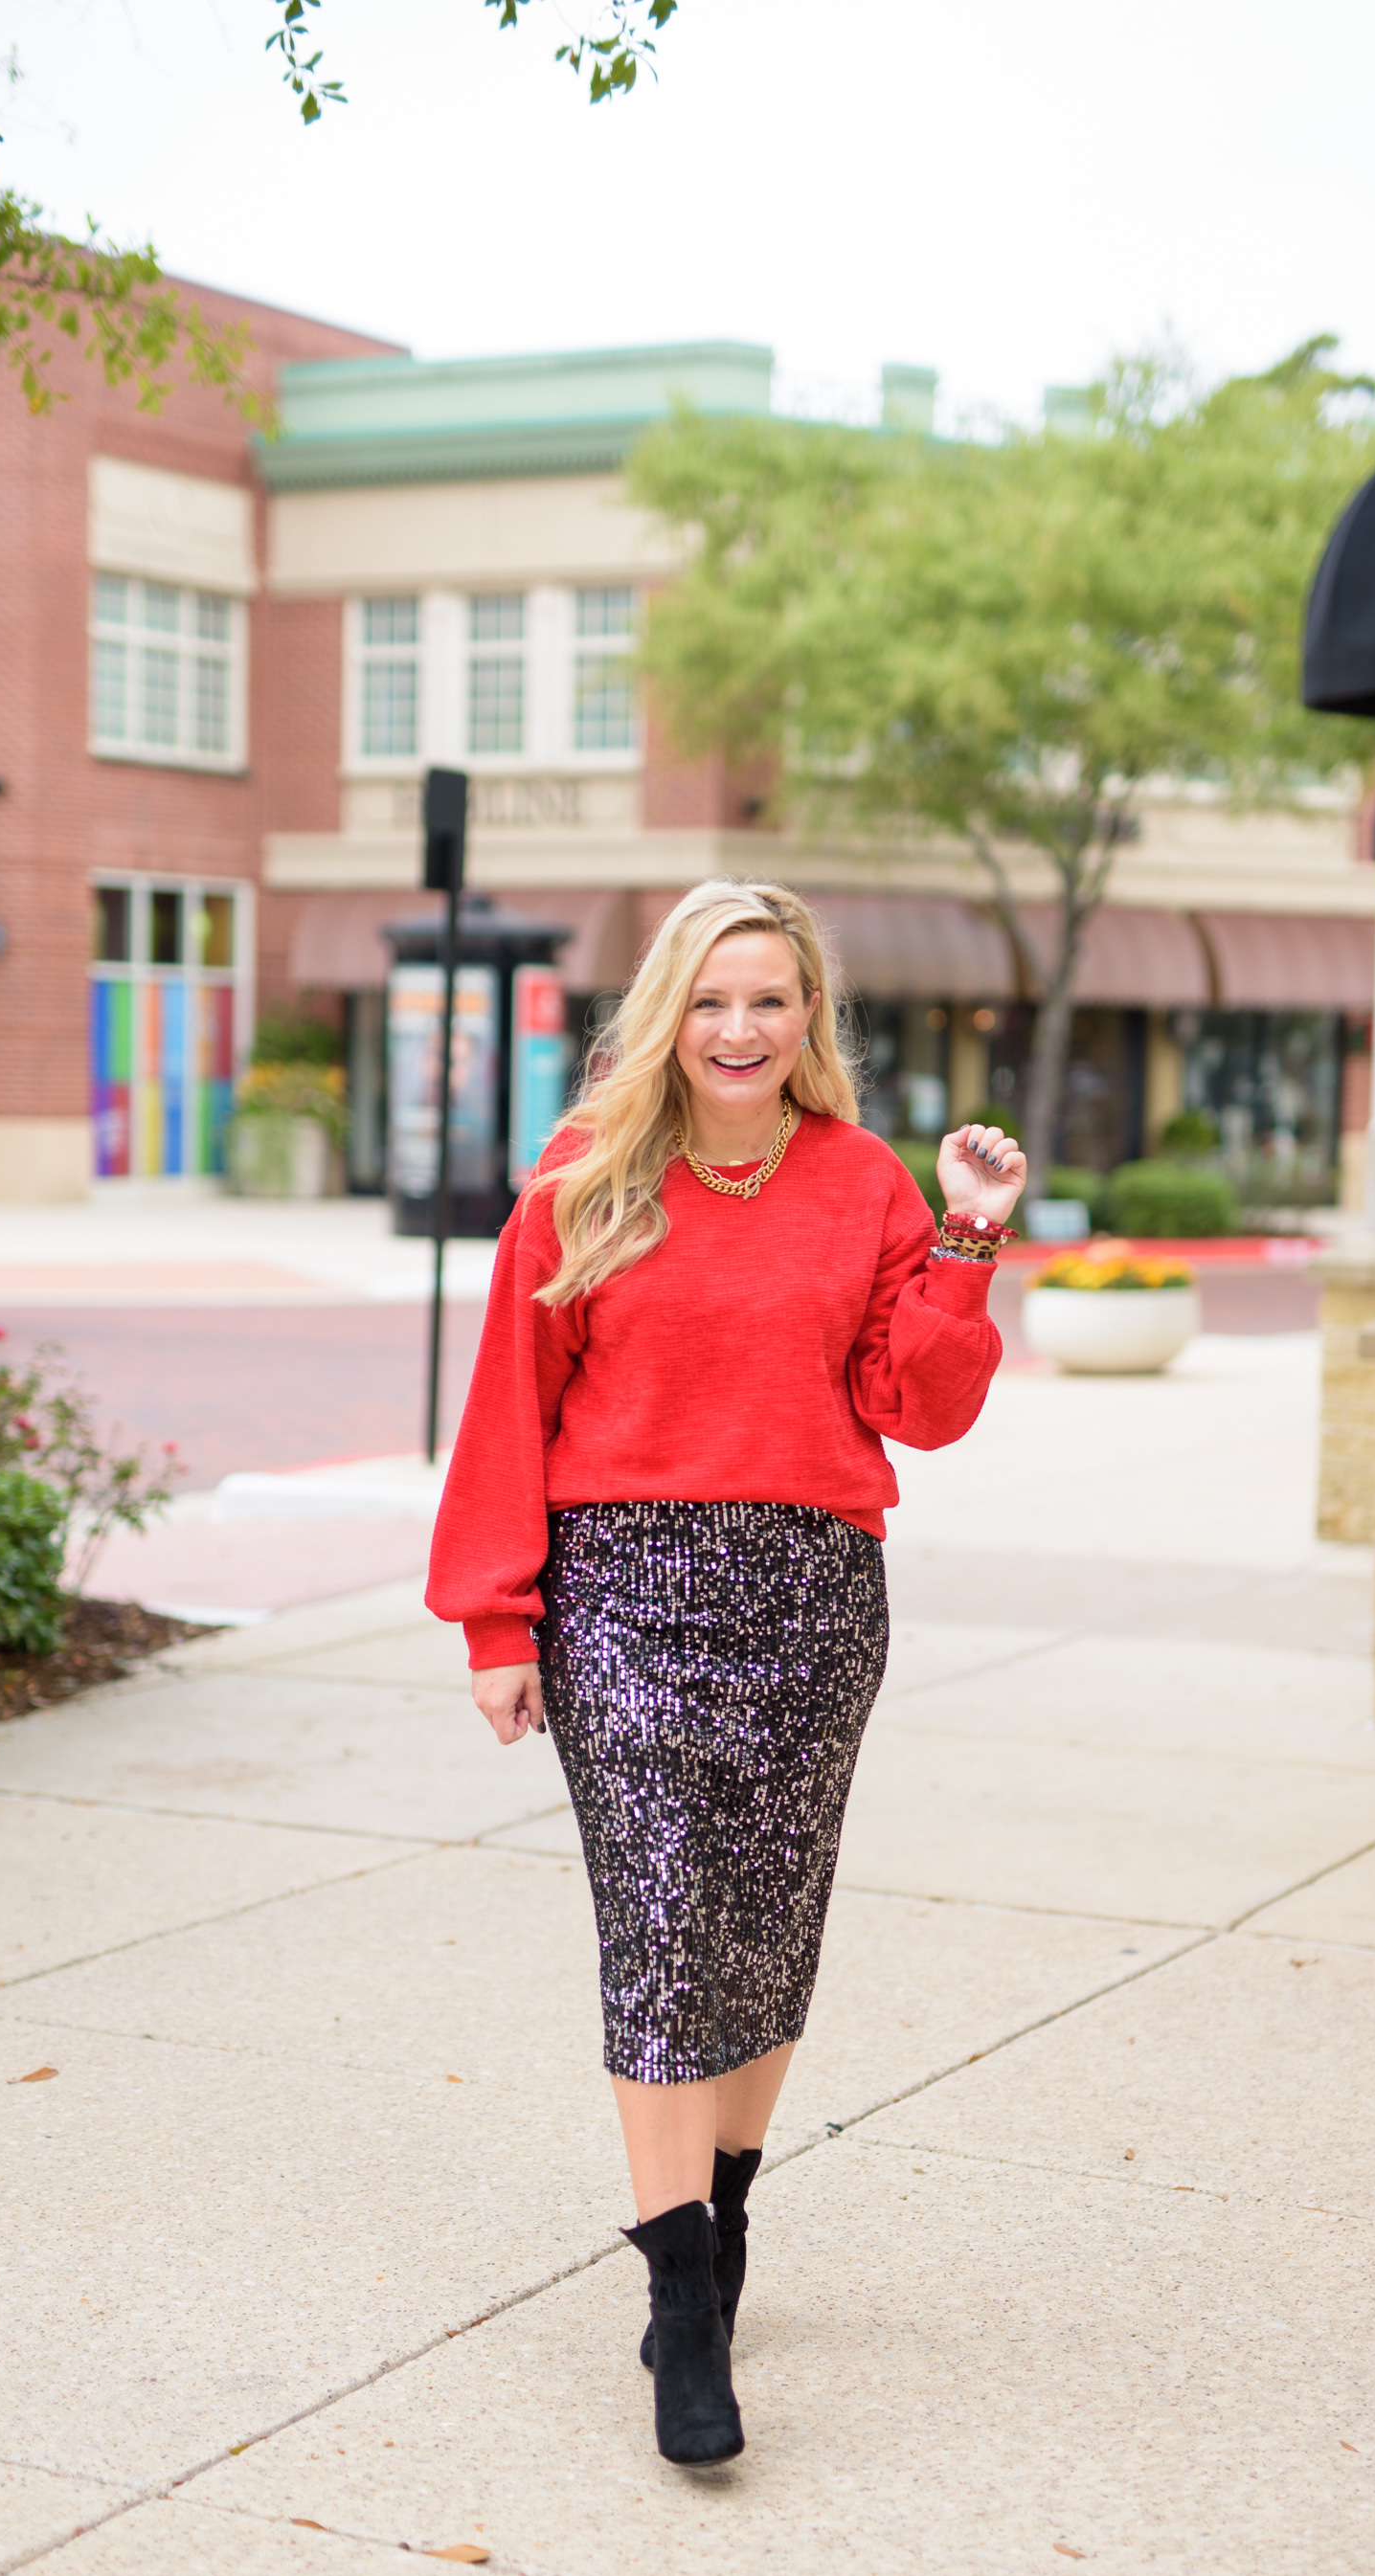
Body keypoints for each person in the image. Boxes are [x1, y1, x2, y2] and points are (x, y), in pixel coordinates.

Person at [426, 879, 1026, 2467]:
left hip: (812, 1596)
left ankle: (728, 2213)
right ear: (666, 1015)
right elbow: (508, 1410)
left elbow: (920, 1403)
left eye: (770, 1000)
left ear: (811, 1017)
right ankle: (682, 2300)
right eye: (710, 999)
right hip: (620, 1594)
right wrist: (498, 1622)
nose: (740, 1029)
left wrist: (966, 1236)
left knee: (762, 1936)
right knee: (666, 1928)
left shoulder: (863, 1183)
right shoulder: (581, 1182)